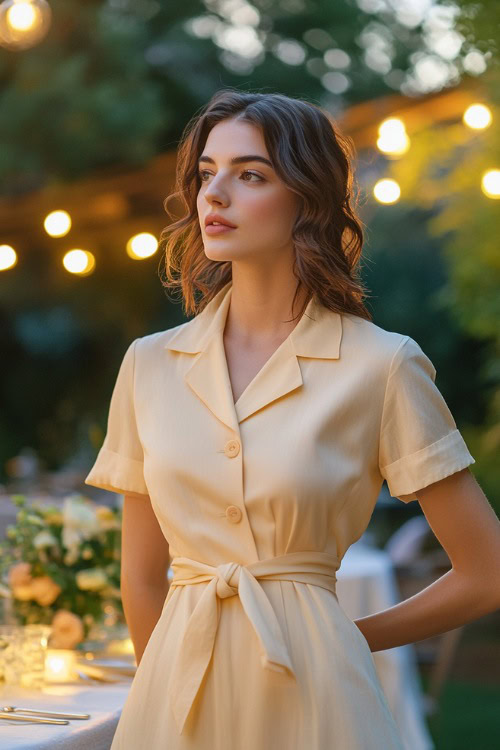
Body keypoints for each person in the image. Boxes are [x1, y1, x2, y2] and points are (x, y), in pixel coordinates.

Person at [85, 88, 500, 749]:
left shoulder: (382, 365)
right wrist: (161, 692)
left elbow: (487, 573)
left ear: (307, 199)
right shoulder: (149, 365)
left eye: (250, 174)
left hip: (320, 702)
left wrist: (344, 641)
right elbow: (140, 575)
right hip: (175, 705)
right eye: (206, 173)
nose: (214, 194)